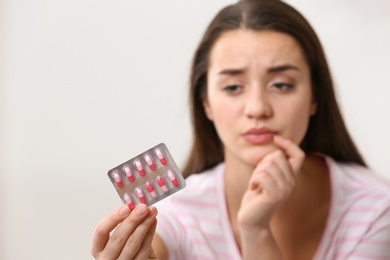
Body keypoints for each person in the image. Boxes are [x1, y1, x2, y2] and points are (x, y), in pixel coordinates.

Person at [91, 0, 390, 259]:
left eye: (281, 85)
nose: (257, 108)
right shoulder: (179, 216)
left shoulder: (376, 208)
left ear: (315, 97)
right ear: (205, 103)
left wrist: (255, 231)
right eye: (233, 87)